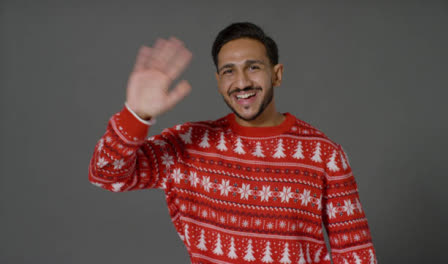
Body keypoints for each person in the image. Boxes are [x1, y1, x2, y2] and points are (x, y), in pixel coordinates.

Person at [89, 22, 377, 264]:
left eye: (253, 67)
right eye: (229, 71)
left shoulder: (323, 154)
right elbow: (107, 174)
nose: (241, 82)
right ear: (218, 81)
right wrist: (137, 114)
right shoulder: (187, 145)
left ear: (276, 74)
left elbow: (356, 253)